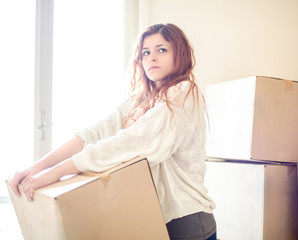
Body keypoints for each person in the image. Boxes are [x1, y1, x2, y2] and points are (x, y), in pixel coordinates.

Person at [9, 23, 216, 240]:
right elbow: (93, 134)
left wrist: (55, 173)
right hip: (156, 219)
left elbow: (132, 142)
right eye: (146, 52)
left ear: (179, 54)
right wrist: (36, 168)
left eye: (161, 50)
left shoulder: (184, 92)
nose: (151, 58)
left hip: (188, 222)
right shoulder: (142, 100)